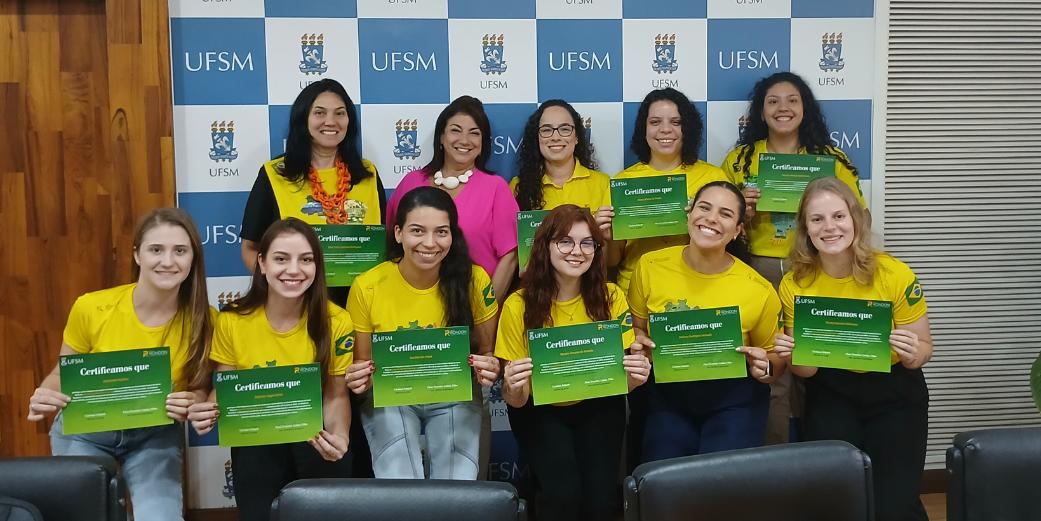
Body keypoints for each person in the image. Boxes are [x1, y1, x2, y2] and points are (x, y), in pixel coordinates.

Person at [27, 208, 214, 521]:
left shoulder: (207, 320)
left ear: (193, 258)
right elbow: (63, 373)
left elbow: (199, 386)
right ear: (137, 255)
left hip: (155, 435)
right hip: (85, 432)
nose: (168, 261)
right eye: (156, 250)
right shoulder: (92, 307)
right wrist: (45, 394)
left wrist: (193, 400)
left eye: (180, 251)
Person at [773, 177, 932, 521]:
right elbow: (806, 371)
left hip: (896, 394)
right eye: (817, 219)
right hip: (832, 393)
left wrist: (911, 351)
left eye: (838, 216)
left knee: (894, 506)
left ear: (856, 220)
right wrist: (794, 354)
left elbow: (924, 350)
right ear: (805, 228)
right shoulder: (795, 283)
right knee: (838, 500)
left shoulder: (894, 273)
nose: (829, 227)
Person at [721, 71, 867, 444]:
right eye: (773, 101)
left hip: (816, 268)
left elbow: (858, 214)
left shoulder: (830, 159)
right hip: (759, 268)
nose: (782, 108)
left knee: (817, 359)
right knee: (772, 367)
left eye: (792, 100)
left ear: (806, 109)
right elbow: (722, 220)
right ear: (761, 111)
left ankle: (820, 452)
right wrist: (744, 213)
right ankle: (775, 457)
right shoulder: (740, 160)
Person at [188, 218, 354, 521]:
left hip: (312, 436)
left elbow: (336, 396)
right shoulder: (232, 319)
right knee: (254, 454)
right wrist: (206, 410)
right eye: (281, 259)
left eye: (306, 260)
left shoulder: (337, 321)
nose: (294, 270)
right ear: (262, 264)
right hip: (256, 439)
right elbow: (225, 390)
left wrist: (340, 435)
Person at [497, 204, 650, 520]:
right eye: (565, 241)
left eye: (586, 243)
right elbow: (516, 399)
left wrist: (635, 377)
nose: (576, 251)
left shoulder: (611, 297)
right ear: (545, 246)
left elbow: (621, 380)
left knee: (600, 501)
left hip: (598, 406)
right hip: (541, 411)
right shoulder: (517, 305)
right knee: (561, 497)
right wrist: (512, 387)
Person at [346, 186, 501, 480]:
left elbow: (487, 352)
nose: (430, 243)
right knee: (399, 478)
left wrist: (490, 367)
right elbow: (363, 367)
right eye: (417, 230)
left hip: (455, 393)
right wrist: (357, 378)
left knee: (459, 483)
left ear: (452, 235)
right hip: (391, 396)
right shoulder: (367, 286)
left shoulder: (474, 280)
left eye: (441, 232)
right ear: (398, 233)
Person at [628, 181, 782, 463]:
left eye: (725, 214)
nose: (711, 218)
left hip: (734, 402)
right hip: (667, 396)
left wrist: (766, 366)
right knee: (664, 483)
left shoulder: (758, 289)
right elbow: (637, 327)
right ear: (689, 214)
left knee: (720, 486)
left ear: (737, 230)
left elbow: (774, 358)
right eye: (704, 207)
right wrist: (638, 340)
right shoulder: (649, 266)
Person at [240, 78, 387, 304]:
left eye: (340, 113)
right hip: (296, 308)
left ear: (349, 120)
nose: (330, 121)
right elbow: (250, 248)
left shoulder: (368, 174)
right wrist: (282, 290)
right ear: (303, 119)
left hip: (361, 308)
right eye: (319, 113)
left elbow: (383, 245)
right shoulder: (275, 175)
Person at [386, 95, 519, 304]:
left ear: (483, 143)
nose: (464, 140)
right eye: (456, 130)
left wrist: (485, 310)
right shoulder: (411, 182)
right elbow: (392, 243)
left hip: (474, 307)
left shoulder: (496, 188)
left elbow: (510, 258)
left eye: (474, 133)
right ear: (441, 136)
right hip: (411, 306)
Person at [615, 88, 729, 293]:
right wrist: (606, 235)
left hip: (698, 285)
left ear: (688, 129)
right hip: (635, 287)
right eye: (655, 122)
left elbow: (728, 241)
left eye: (676, 122)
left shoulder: (713, 178)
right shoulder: (624, 182)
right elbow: (612, 259)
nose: (665, 130)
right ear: (644, 128)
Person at [512, 100, 614, 242]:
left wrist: (602, 236)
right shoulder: (518, 186)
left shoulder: (603, 184)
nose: (555, 137)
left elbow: (612, 260)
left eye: (565, 129)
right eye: (546, 130)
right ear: (537, 138)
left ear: (577, 137)